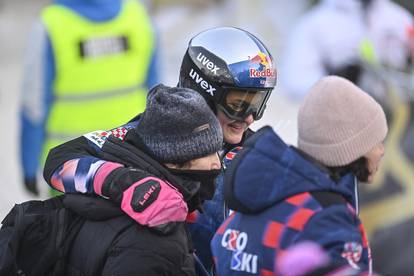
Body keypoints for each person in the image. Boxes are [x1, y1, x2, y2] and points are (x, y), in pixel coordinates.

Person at [42, 26, 277, 274]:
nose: (250, 118)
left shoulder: (258, 151)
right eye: (239, 105)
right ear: (204, 91)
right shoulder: (150, 135)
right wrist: (125, 182)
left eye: (258, 104)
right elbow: (59, 160)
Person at [211, 76, 388, 275]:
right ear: (352, 148)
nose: (382, 151)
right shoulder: (327, 217)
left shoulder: (262, 197)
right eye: (377, 142)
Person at [42, 84, 222, 275]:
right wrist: (130, 185)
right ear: (175, 162)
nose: (216, 164)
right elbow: (58, 158)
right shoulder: (156, 234)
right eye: (206, 153)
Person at [20, 0, 158, 196]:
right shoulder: (138, 15)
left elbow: (33, 106)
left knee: (69, 226)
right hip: (133, 159)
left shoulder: (51, 24)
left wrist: (29, 167)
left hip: (70, 169)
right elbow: (157, 94)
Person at [281, 0, 414, 100]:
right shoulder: (313, 25)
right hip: (347, 123)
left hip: (402, 124)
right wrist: (333, 82)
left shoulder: (398, 18)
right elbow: (294, 83)